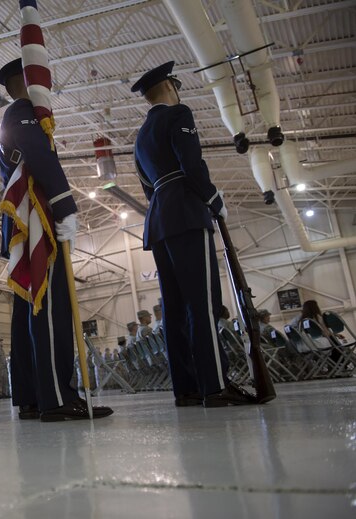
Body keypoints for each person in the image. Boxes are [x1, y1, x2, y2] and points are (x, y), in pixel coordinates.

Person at [132, 61, 255, 407]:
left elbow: (146, 187)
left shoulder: (139, 137)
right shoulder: (178, 114)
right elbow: (191, 163)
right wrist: (214, 200)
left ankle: (185, 388)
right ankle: (215, 384)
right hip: (186, 212)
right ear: (170, 87)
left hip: (158, 221)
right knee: (202, 304)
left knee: (173, 309)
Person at [0, 58, 113, 422]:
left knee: (27, 317)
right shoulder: (23, 112)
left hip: (28, 225)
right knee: (49, 312)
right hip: (38, 223)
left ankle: (33, 396)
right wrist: (66, 206)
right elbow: (40, 158)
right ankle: (58, 398)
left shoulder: (15, 115)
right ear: (29, 82)